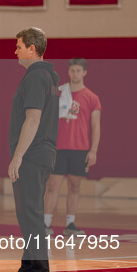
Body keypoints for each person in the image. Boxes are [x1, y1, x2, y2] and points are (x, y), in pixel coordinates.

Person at [0, 27, 59, 272]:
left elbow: (32, 119)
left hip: (33, 154)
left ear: (32, 49)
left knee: (31, 214)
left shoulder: (36, 77)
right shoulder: (47, 77)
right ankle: (29, 268)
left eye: (19, 46)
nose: (16, 51)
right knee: (27, 214)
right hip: (40, 153)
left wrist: (17, 157)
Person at [44, 58, 102, 237]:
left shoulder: (92, 97)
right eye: (72, 70)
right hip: (58, 147)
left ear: (84, 73)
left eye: (78, 70)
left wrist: (93, 150)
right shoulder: (59, 93)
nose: (75, 74)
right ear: (68, 72)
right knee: (53, 185)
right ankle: (45, 223)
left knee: (74, 186)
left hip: (79, 149)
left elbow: (95, 126)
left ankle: (70, 223)